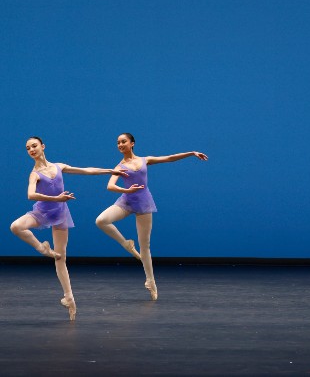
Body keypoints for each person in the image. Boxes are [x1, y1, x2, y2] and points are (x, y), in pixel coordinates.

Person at [10, 136, 129, 321]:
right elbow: (31, 194)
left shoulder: (58, 166)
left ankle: (69, 298)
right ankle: (42, 248)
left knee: (60, 258)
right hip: (42, 211)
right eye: (27, 148)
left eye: (34, 146)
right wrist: (57, 198)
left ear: (43, 146)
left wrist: (109, 171)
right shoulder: (34, 173)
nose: (31, 150)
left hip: (60, 214)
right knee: (16, 226)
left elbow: (85, 171)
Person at [95, 133, 208, 301]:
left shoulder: (144, 160)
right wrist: (126, 191)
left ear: (132, 143)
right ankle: (126, 244)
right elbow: (110, 186)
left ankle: (150, 281)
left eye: (123, 141)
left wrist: (191, 153)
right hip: (126, 201)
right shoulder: (119, 166)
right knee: (101, 220)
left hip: (143, 202)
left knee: (145, 245)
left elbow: (169, 158)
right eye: (118, 143)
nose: (120, 144)